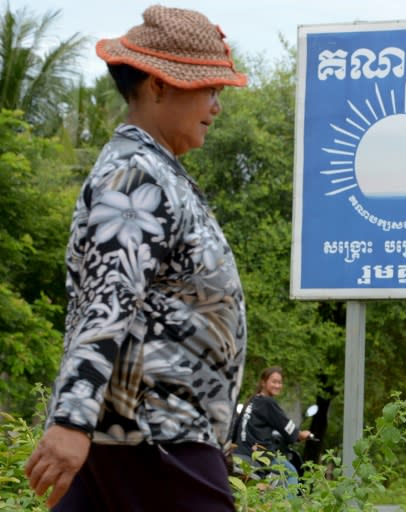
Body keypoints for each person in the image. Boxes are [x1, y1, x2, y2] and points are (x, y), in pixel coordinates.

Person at [23, 6, 248, 511]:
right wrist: (71, 420)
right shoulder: (135, 177)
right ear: (156, 85)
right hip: (156, 428)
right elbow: (107, 301)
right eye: (208, 89)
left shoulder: (153, 170)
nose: (217, 106)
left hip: (144, 429)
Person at [231, 367, 313, 486]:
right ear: (263, 382)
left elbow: (235, 430)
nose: (278, 385)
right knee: (291, 473)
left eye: (280, 382)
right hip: (256, 455)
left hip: (238, 454)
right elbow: (287, 427)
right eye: (274, 381)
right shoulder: (268, 402)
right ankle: (289, 505)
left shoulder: (251, 401)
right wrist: (301, 435)